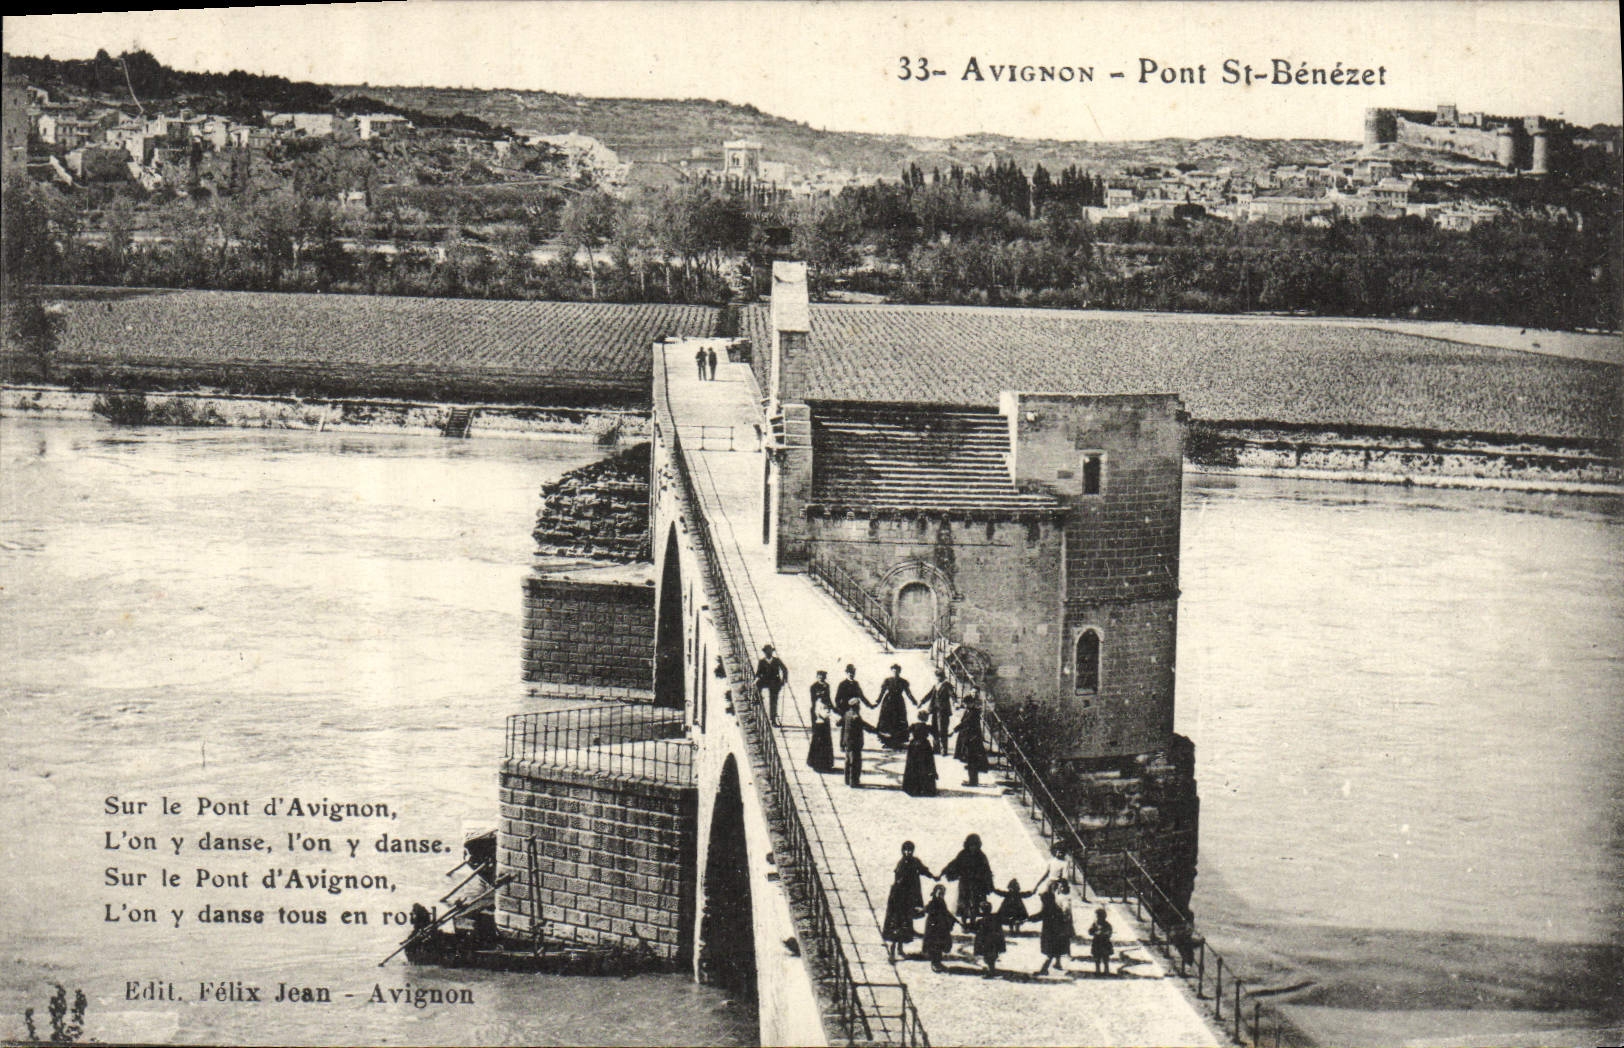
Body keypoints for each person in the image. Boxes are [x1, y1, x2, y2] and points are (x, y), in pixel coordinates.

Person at [881, 841, 937, 961]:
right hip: (898, 900)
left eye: (910, 850)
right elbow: (898, 883)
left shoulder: (915, 862)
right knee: (896, 926)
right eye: (906, 850)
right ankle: (892, 952)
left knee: (904, 926)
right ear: (902, 851)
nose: (908, 852)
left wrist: (932, 876)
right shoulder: (901, 864)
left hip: (908, 900)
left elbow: (923, 870)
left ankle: (900, 949)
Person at [941, 833, 995, 922]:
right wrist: (945, 871)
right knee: (964, 903)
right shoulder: (963, 854)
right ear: (967, 845)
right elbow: (954, 864)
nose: (973, 847)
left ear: (978, 845)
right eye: (971, 845)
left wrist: (988, 883)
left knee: (975, 903)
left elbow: (986, 870)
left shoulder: (981, 856)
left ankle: (973, 922)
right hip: (965, 883)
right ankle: (964, 921)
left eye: (975, 845)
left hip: (977, 884)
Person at [951, 690, 991, 787]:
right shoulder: (969, 711)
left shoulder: (973, 713)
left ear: (971, 703)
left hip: (973, 740)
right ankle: (972, 780)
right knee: (970, 760)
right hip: (970, 739)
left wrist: (954, 730)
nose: (965, 705)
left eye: (966, 704)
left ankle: (973, 782)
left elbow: (965, 723)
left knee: (972, 760)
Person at [1035, 880, 1075, 975]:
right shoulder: (1056, 898)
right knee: (1057, 947)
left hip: (1056, 928)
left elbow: (1065, 911)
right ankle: (1058, 963)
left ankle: (1044, 969)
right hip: (1059, 926)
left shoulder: (1058, 900)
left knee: (1051, 950)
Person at [874, 663, 914, 749]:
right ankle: (887, 742)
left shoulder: (903, 682)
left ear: (899, 672)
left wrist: (914, 701)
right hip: (888, 703)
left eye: (897, 671)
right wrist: (878, 701)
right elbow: (882, 692)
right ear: (892, 671)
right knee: (887, 721)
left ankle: (898, 742)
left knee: (899, 721)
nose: (895, 673)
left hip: (899, 703)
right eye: (894, 671)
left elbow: (908, 693)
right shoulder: (887, 681)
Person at [900, 710, 939, 797]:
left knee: (913, 766)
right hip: (925, 747)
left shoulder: (914, 726)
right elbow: (936, 735)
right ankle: (926, 788)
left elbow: (904, 732)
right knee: (926, 766)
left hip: (914, 747)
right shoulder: (928, 727)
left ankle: (912, 788)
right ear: (926, 718)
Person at [920, 883, 957, 972]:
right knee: (934, 946)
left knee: (939, 946)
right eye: (939, 893)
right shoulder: (933, 902)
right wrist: (922, 909)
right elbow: (927, 908)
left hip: (941, 927)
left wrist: (953, 919)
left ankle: (938, 963)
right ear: (935, 892)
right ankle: (934, 964)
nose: (941, 895)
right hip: (933, 928)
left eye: (943, 893)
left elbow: (946, 912)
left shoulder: (942, 902)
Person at [839, 706, 878, 787]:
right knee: (855, 763)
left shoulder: (847, 714)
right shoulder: (856, 717)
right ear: (856, 707)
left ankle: (847, 780)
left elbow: (839, 723)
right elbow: (865, 726)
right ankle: (854, 782)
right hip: (855, 744)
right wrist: (876, 730)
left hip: (848, 743)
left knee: (847, 762)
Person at [806, 671, 835, 773]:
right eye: (819, 677)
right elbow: (813, 700)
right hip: (817, 713)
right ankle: (815, 762)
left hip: (825, 712)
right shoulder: (813, 687)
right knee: (817, 737)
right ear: (817, 677)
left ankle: (826, 763)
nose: (821, 679)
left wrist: (833, 709)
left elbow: (829, 699)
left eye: (823, 677)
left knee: (826, 737)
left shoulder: (827, 686)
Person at [922, 668, 956, 755]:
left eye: (939, 677)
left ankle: (943, 749)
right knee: (934, 729)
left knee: (942, 730)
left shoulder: (947, 685)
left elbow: (952, 694)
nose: (938, 678)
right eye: (937, 677)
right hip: (934, 710)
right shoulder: (936, 685)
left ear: (943, 677)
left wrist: (955, 702)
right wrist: (922, 702)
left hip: (943, 711)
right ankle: (936, 748)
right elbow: (929, 695)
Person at [755, 644, 788, 725]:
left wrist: (784, 680)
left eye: (769, 651)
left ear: (772, 652)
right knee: (757, 684)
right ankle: (758, 698)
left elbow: (785, 669)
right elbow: (758, 673)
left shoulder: (776, 660)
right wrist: (757, 678)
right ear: (764, 652)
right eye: (766, 651)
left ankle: (773, 719)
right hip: (765, 680)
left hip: (775, 681)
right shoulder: (762, 661)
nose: (768, 653)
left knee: (773, 701)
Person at [971, 900, 1006, 977]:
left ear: (982, 910)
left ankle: (991, 972)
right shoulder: (995, 918)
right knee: (992, 957)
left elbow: (974, 929)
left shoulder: (981, 921)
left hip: (985, 943)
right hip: (995, 942)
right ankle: (991, 970)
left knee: (988, 958)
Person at [1088, 906, 1115, 976]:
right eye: (1097, 916)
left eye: (1099, 916)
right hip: (1096, 943)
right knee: (1097, 958)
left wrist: (1104, 933)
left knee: (1105, 958)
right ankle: (1097, 971)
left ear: (1103, 917)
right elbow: (1090, 931)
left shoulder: (1107, 924)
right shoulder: (1095, 924)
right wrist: (1094, 932)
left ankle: (1106, 970)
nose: (1097, 918)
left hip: (1105, 943)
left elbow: (1109, 932)